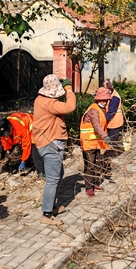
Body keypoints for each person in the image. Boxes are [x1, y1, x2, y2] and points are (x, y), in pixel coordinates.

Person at [32, 75, 76, 225]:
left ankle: (52, 207)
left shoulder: (40, 99)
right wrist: (69, 89)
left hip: (47, 142)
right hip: (50, 144)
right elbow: (70, 107)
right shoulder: (49, 103)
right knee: (52, 179)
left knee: (58, 174)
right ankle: (46, 214)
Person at [80, 87, 110, 196]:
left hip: (96, 142)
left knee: (97, 163)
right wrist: (105, 136)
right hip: (88, 142)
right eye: (104, 100)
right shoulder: (94, 110)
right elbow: (96, 124)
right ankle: (89, 188)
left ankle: (95, 183)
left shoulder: (101, 109)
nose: (105, 102)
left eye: (106, 100)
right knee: (90, 165)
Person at [104, 79, 123, 151]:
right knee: (109, 141)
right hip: (110, 122)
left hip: (115, 123)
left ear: (108, 88)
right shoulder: (109, 94)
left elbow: (111, 112)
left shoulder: (115, 97)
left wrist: (103, 120)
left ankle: (114, 154)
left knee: (113, 141)